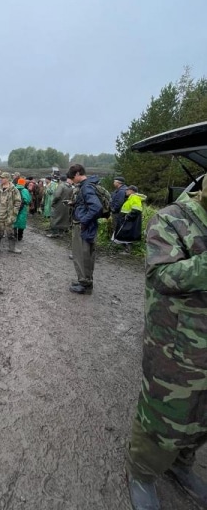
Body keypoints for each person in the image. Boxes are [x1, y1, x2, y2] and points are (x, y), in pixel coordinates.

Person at [126, 174, 207, 510]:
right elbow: (161, 275)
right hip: (178, 344)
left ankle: (181, 465)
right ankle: (142, 473)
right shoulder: (172, 218)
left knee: (202, 414)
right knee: (165, 411)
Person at [66, 164, 102, 294]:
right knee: (85, 254)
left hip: (84, 226)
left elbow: (96, 207)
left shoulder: (86, 187)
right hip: (88, 226)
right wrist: (75, 204)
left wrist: (83, 221)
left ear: (77, 174)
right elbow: (88, 204)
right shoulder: (88, 186)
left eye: (72, 176)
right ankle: (85, 280)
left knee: (82, 255)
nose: (72, 180)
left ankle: (85, 284)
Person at [0, 172, 22, 255]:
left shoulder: (14, 189)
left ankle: (12, 248)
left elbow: (17, 202)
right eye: (0, 178)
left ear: (7, 179)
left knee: (11, 233)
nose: (1, 179)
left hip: (9, 216)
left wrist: (14, 215)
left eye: (3, 178)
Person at [113, 185, 143, 254]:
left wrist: (128, 216)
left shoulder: (135, 198)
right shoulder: (131, 198)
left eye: (127, 190)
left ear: (131, 191)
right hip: (127, 219)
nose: (126, 191)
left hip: (130, 220)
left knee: (128, 235)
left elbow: (137, 210)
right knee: (125, 235)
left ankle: (127, 251)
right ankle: (126, 249)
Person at [13, 177, 32, 242]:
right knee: (21, 222)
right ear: (24, 184)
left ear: (18, 183)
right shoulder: (25, 190)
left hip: (14, 208)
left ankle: (14, 235)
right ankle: (20, 237)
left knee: (14, 221)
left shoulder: (13, 189)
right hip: (23, 209)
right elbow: (28, 200)